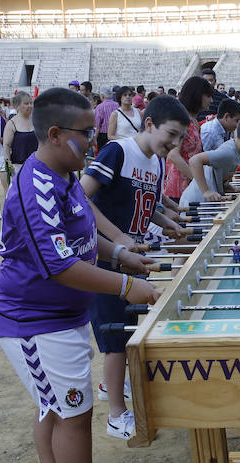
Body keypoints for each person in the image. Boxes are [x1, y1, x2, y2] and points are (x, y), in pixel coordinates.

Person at [0, 87, 162, 463]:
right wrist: (128, 286)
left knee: (55, 409)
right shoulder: (36, 189)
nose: (93, 141)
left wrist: (118, 253)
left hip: (59, 319)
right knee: (73, 415)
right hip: (35, 323)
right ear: (55, 134)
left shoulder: (64, 176)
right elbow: (61, 266)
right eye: (85, 133)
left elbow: (80, 237)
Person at [81, 95, 189, 440]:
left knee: (127, 331)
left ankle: (110, 387)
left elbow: (148, 204)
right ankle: (116, 416)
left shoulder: (157, 162)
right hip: (106, 258)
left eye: (179, 139)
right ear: (149, 124)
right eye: (170, 135)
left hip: (133, 258)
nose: (173, 144)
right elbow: (81, 197)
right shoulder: (119, 151)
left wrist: (171, 223)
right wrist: (118, 238)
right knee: (115, 341)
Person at [184, 114, 240, 207]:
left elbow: (218, 173)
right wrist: (206, 191)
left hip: (203, 202)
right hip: (195, 202)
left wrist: (230, 188)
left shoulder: (235, 150)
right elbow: (195, 160)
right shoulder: (229, 152)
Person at [164, 76, 214, 203]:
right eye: (208, 96)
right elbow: (173, 155)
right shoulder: (182, 120)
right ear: (197, 95)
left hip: (190, 186)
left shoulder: (193, 120)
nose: (211, 100)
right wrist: (198, 181)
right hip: (180, 188)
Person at [4, 91, 37, 173]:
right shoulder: (11, 124)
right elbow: (6, 145)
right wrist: (8, 164)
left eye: (30, 103)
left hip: (37, 164)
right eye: (26, 103)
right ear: (17, 106)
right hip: (19, 166)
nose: (29, 106)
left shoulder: (36, 121)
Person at [95, 85, 119, 150]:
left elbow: (97, 126)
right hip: (116, 134)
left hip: (103, 136)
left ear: (102, 96)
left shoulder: (100, 107)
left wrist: (94, 139)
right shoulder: (117, 105)